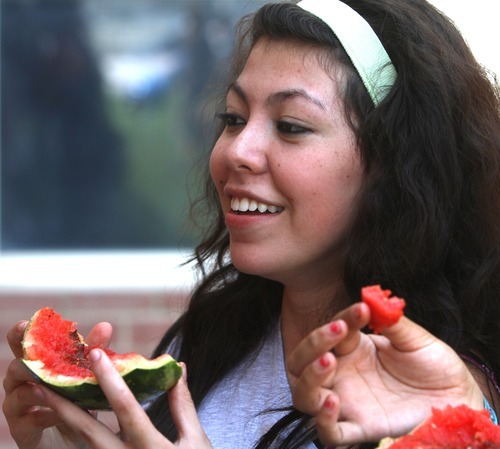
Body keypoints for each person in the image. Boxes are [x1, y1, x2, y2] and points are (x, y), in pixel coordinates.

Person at [3, 0, 500, 448]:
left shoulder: (444, 398)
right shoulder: (209, 332)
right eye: (234, 117)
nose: (234, 151)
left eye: (291, 126)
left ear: (393, 166)